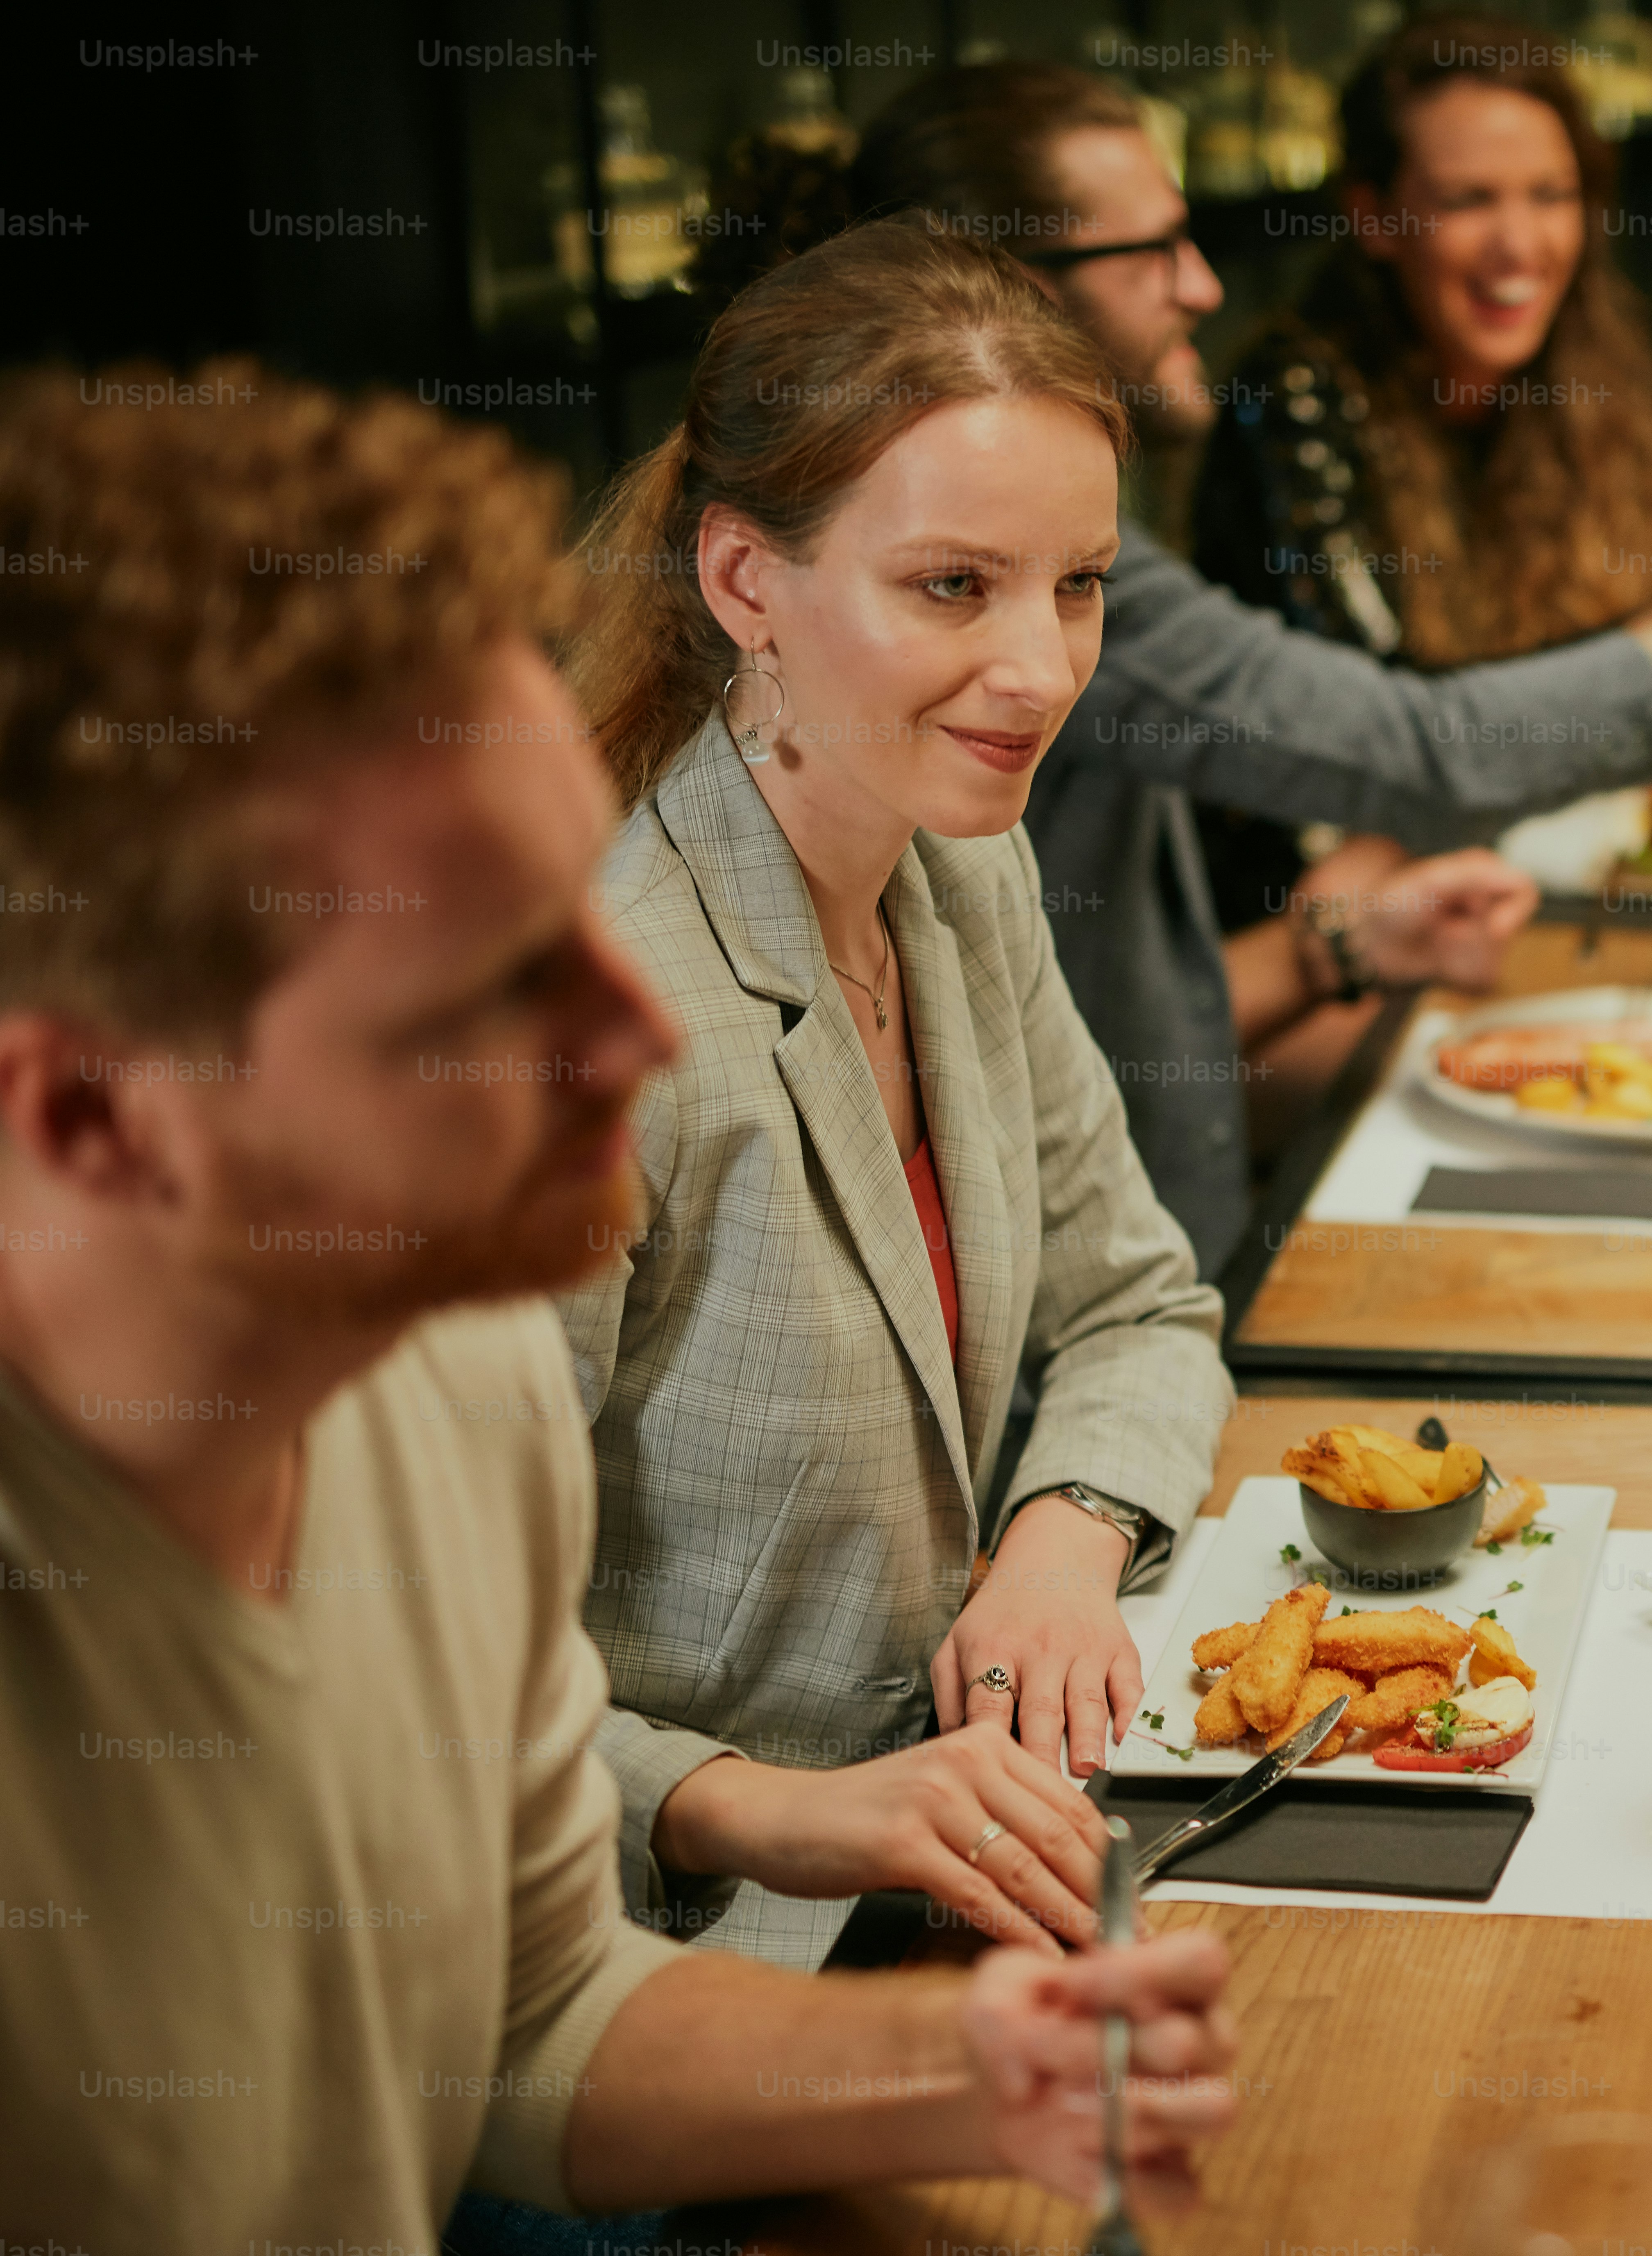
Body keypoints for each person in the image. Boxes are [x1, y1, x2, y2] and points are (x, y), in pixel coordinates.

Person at [0, 363, 1234, 2243]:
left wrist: (982, 2066)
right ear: (90, 1116)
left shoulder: (457, 1372)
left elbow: (518, 2018)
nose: (637, 1025)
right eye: (485, 995)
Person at [828, 60, 1652, 1275]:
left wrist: (1337, 941)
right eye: (1156, 247)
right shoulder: (1058, 566)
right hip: (1134, 1259)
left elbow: (1103, 1024)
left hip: (1166, 1227)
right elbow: (1419, 753)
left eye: (1552, 193)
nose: (1205, 285)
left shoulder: (1057, 550)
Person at [556, 216, 1235, 1970]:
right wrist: (764, 1806)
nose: (1042, 668)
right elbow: (404, 1676)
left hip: (955, 1858)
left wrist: (1063, 1537)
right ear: (741, 581)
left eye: (1077, 582)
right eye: (954, 585)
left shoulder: (958, 870)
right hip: (633, 1966)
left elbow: (1141, 1301)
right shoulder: (592, 1017)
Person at [1187, 12, 1652, 922]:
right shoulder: (1294, 395)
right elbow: (1392, 741)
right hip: (1319, 927)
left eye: (1552, 194)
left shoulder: (1602, 371)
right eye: (1469, 201)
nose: (1521, 244)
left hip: (1549, 873)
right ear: (1374, 218)